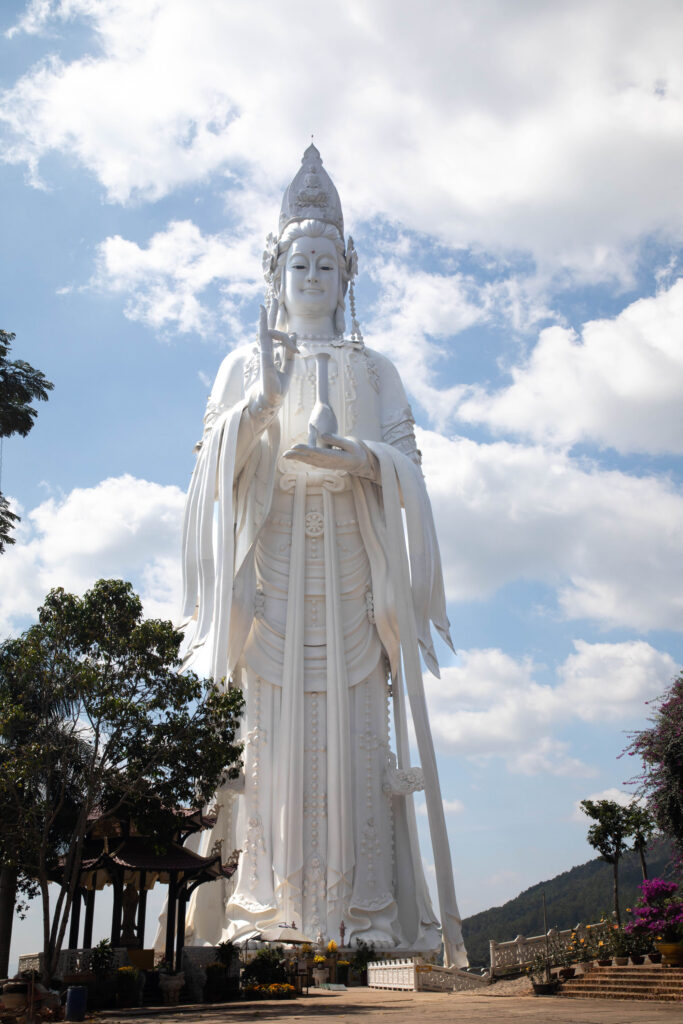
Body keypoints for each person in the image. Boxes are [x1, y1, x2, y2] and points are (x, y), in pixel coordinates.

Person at [180, 145, 467, 967]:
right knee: (267, 746)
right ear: (275, 271)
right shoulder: (242, 363)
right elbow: (207, 470)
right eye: (298, 262)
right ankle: (262, 909)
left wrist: (361, 457)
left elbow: (410, 465)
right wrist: (258, 407)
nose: (311, 275)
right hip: (272, 573)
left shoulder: (373, 370)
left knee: (357, 746)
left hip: (351, 574)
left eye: (325, 263)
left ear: (348, 275)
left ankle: (370, 909)